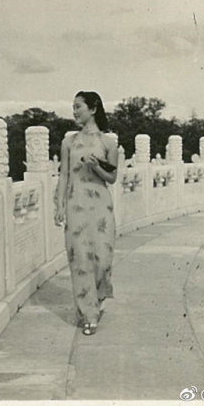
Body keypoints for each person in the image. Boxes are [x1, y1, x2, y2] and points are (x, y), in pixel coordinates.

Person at [54, 90, 118, 336]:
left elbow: (112, 177)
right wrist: (59, 205)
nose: (74, 111)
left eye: (78, 106)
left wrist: (96, 168)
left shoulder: (108, 142)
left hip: (101, 207)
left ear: (93, 109)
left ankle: (97, 297)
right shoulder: (69, 141)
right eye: (73, 107)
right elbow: (63, 174)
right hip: (75, 204)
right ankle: (88, 313)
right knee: (80, 260)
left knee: (102, 260)